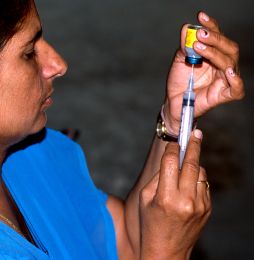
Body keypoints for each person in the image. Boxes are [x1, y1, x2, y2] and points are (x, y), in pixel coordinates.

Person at [0, 0, 244, 259]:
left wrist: (175, 121)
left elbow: (127, 242)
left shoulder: (34, 152)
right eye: (28, 53)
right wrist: (169, 253)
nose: (58, 64)